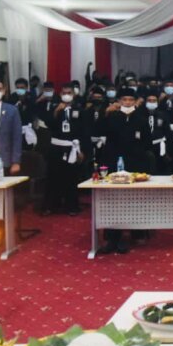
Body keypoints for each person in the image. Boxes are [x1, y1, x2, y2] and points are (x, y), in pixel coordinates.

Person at [97, 87, 149, 254]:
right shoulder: (111, 117)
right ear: (119, 101)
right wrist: (106, 113)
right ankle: (113, 236)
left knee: (135, 199)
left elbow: (147, 142)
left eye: (130, 100)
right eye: (124, 100)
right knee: (113, 200)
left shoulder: (141, 119)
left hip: (135, 163)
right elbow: (98, 131)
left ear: (135, 102)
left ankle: (136, 232)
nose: (127, 103)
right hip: (114, 162)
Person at [45, 83, 87, 215]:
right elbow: (48, 125)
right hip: (56, 147)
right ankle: (51, 205)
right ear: (60, 94)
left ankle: (72, 206)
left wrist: (82, 150)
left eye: (69, 93)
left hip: (72, 147)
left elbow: (84, 132)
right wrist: (56, 112)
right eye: (64, 93)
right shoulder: (53, 108)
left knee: (71, 177)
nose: (66, 95)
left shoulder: (79, 109)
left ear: (74, 94)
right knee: (53, 177)